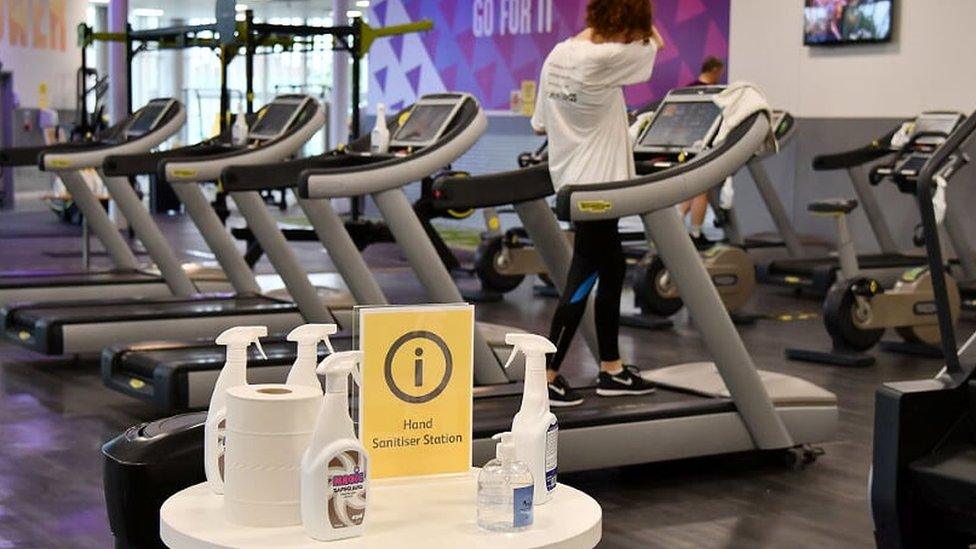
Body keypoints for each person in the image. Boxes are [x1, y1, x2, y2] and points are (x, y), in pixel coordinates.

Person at [531, 0, 663, 406]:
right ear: (624, 24)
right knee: (582, 278)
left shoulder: (560, 54)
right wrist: (639, 25)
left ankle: (612, 368)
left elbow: (539, 122)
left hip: (573, 180)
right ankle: (546, 376)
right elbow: (654, 43)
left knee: (614, 267)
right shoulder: (604, 58)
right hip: (599, 190)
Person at [677, 56, 726, 249]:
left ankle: (678, 227)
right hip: (700, 144)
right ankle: (696, 233)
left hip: (685, 145)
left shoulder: (688, 89)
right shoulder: (712, 93)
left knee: (691, 189)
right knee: (701, 190)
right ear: (714, 70)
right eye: (719, 72)